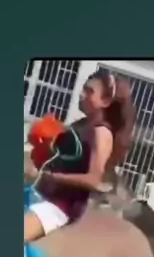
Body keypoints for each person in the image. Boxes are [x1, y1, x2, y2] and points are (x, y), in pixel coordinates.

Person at [24, 68, 135, 243]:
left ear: (105, 101)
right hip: (41, 193)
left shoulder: (101, 133)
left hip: (60, 206)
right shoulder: (81, 125)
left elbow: (93, 179)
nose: (82, 94)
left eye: (89, 91)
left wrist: (54, 176)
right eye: (83, 89)